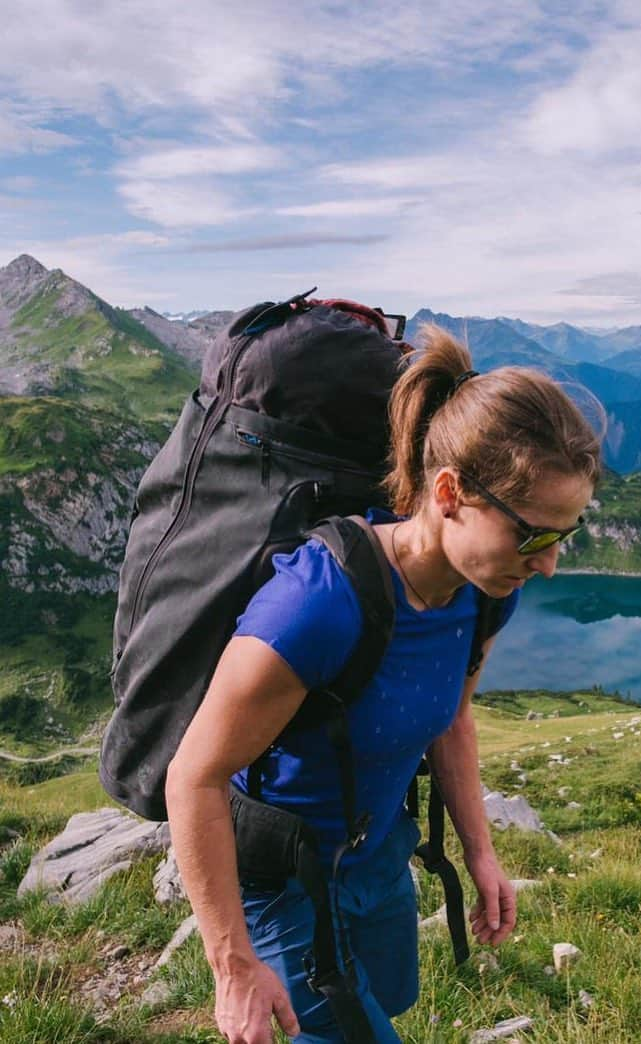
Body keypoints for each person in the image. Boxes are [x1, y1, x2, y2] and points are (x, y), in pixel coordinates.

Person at [165, 325, 602, 1044]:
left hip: (378, 859)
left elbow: (453, 720)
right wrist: (231, 963)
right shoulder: (319, 602)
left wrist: (480, 852)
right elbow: (195, 776)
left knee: (388, 998)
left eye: (565, 534)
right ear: (450, 492)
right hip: (282, 883)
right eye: (533, 535)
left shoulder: (485, 588)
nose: (549, 563)